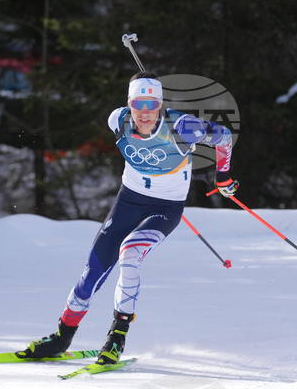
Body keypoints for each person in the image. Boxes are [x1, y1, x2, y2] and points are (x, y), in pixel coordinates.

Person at [16, 71, 238, 365]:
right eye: (138, 104)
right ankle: (61, 338)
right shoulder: (117, 120)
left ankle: (116, 337)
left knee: (131, 252)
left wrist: (222, 177)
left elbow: (223, 136)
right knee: (93, 269)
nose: (144, 113)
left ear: (160, 104)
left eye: (151, 105)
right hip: (129, 201)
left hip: (165, 207)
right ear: (129, 104)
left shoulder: (184, 127)